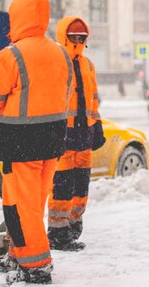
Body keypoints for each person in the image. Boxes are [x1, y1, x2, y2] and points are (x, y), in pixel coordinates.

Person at [0, 0, 73, 284]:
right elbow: (65, 92)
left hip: (20, 142)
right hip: (54, 139)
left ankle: (36, 264)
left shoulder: (10, 55)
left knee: (21, 206)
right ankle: (19, 253)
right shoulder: (61, 53)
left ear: (17, 18)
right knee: (36, 203)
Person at [47, 16, 105, 251]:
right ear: (64, 36)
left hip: (85, 133)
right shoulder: (55, 63)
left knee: (81, 186)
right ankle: (58, 233)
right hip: (64, 134)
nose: (78, 40)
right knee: (62, 186)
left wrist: (97, 123)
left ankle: (73, 228)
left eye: (82, 37)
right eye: (74, 36)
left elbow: (92, 99)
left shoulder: (88, 64)